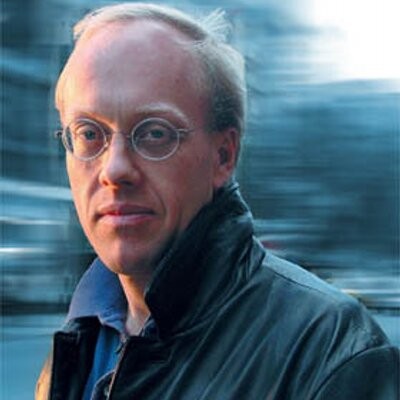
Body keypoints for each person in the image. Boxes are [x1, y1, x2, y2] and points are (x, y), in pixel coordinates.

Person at [36, 3, 398, 399]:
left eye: (155, 133)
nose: (114, 169)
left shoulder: (330, 354)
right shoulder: (80, 337)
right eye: (89, 134)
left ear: (224, 156)